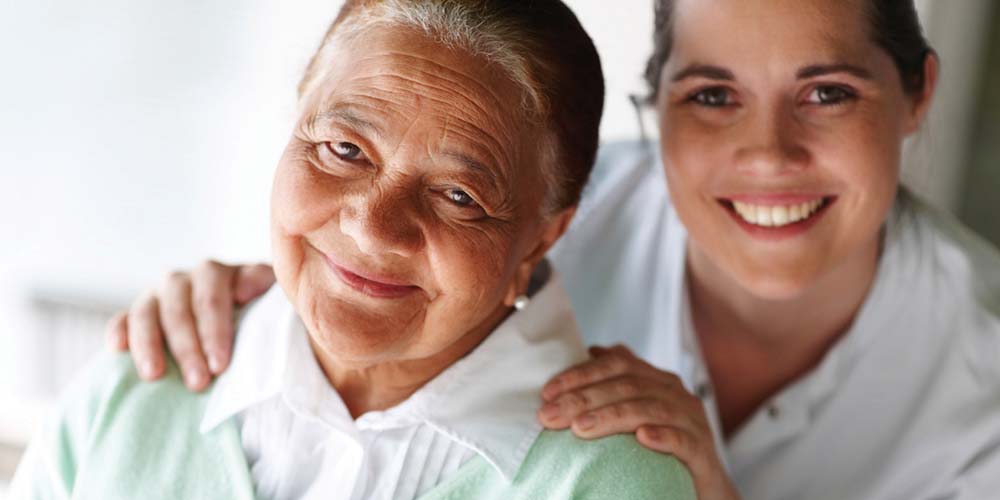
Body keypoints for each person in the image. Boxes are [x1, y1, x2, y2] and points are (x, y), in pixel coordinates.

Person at [106, 0, 1000, 499]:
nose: (768, 154)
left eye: (830, 93)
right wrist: (250, 307)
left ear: (918, 93)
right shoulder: (557, 190)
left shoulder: (984, 376)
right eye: (712, 96)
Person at [10, 1, 699, 499]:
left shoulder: (609, 483)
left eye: (458, 195)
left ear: (544, 235)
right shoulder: (133, 388)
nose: (373, 228)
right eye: (344, 149)